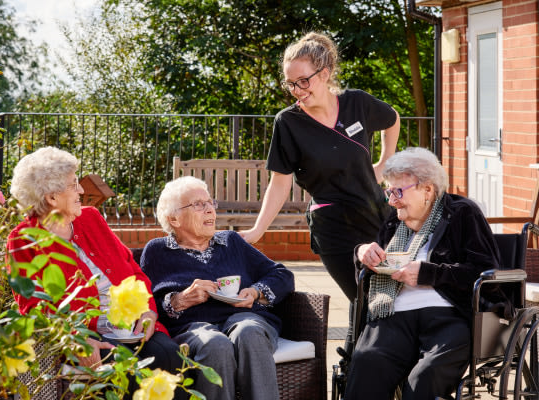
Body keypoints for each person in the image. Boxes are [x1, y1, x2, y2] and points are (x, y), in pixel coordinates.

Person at [6, 147, 183, 399]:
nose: (81, 191)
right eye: (74, 185)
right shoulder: (23, 240)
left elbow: (132, 269)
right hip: (90, 336)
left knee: (171, 357)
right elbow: (33, 305)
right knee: (128, 374)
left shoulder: (91, 218)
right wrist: (77, 339)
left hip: (132, 328)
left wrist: (148, 310)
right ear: (52, 198)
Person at [239, 31, 400, 307]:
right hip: (332, 226)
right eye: (290, 84)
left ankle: (357, 350)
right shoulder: (288, 122)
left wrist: (385, 161)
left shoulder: (356, 103)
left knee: (392, 298)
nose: (298, 90)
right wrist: (256, 230)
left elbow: (392, 118)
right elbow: (280, 183)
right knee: (365, 300)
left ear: (324, 74)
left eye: (304, 81)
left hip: (376, 215)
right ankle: (363, 350)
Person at [345, 147, 508, 399]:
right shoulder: (393, 222)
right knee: (367, 363)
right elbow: (369, 274)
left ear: (428, 190)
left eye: (398, 192)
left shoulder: (462, 213)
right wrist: (362, 253)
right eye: (389, 192)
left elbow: (485, 272)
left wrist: (428, 273)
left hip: (450, 315)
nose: (391, 200)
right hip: (393, 314)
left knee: (424, 378)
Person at [140, 176, 295, 400]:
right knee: (215, 344)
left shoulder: (231, 241)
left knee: (248, 332)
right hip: (193, 328)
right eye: (198, 205)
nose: (210, 210)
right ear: (174, 219)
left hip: (246, 318)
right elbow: (148, 303)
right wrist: (181, 299)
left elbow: (282, 275)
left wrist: (256, 292)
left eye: (210, 203)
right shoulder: (157, 251)